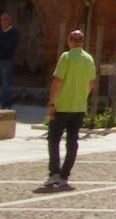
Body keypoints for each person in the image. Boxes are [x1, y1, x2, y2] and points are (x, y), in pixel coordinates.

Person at [37, 28, 97, 193]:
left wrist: (51, 103)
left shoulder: (66, 57)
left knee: (53, 139)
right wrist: (82, 96)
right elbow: (91, 83)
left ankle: (54, 173)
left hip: (62, 106)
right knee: (72, 142)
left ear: (69, 41)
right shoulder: (89, 59)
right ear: (83, 42)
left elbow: (58, 81)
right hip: (79, 107)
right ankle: (65, 175)